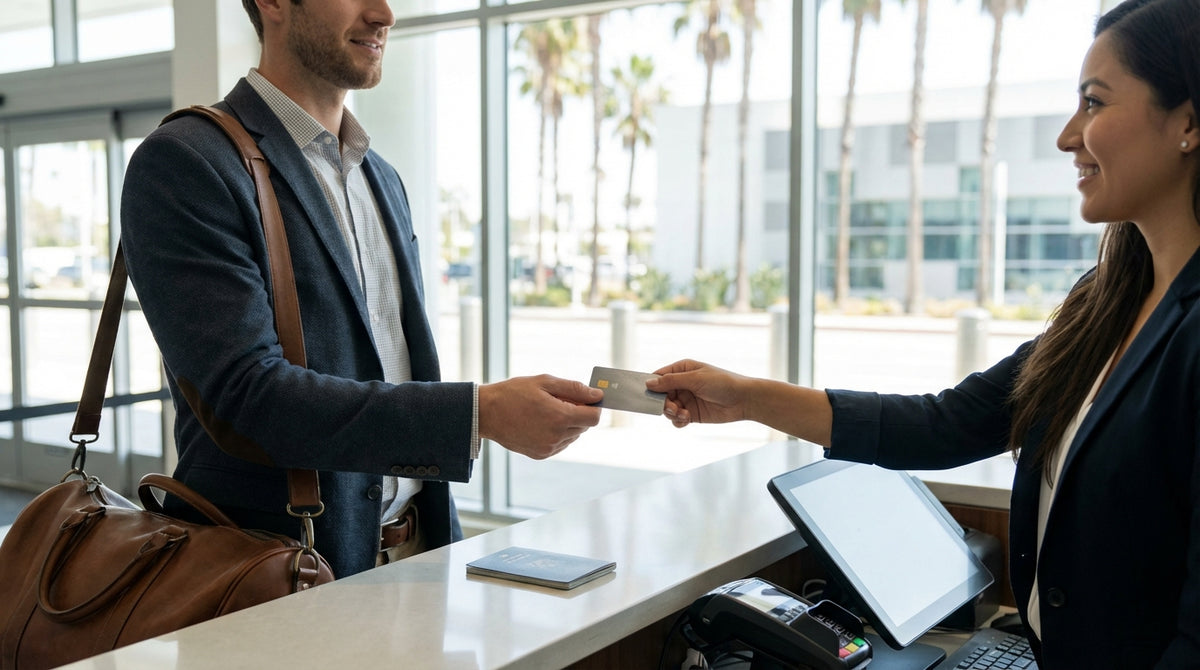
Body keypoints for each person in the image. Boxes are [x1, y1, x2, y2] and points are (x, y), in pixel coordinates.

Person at [648, 0, 1200, 667]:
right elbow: (945, 424)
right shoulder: (1103, 298)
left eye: (1093, 103)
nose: (1066, 136)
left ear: (1188, 122)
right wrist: (745, 399)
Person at [119, 0, 603, 578]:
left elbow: (397, 368)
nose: (385, 14)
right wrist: (480, 414)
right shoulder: (188, 161)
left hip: (418, 559)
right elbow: (249, 397)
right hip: (276, 577)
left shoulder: (382, 178)